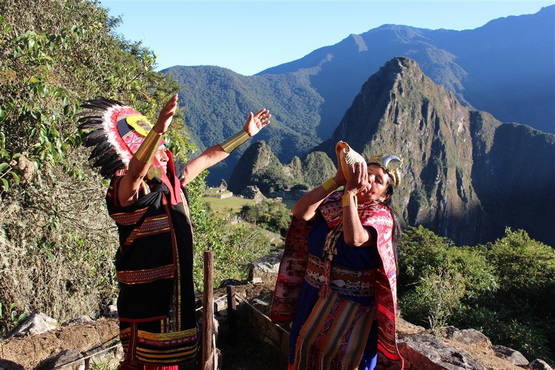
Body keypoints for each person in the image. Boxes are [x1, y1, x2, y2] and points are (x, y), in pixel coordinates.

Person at [79, 94, 270, 369]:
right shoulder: (127, 189)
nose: (161, 150)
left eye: (160, 144)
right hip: (145, 302)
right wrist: (157, 129)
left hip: (175, 297)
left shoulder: (171, 182)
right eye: (153, 145)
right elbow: (134, 174)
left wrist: (244, 135)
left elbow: (205, 159)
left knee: (175, 361)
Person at [270, 143, 404, 370]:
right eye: (367, 174)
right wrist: (337, 181)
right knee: (304, 351)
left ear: (384, 196)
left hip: (352, 305)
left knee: (345, 361)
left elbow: (355, 238)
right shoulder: (332, 204)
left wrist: (350, 193)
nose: (369, 180)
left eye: (378, 181)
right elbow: (301, 212)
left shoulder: (381, 218)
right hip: (313, 295)